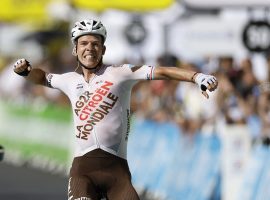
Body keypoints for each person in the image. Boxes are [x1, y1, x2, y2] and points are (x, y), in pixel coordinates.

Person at [13, 19, 218, 200]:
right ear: (75, 49)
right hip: (82, 172)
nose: (90, 48)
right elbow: (42, 78)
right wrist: (27, 71)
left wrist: (196, 77)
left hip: (117, 173)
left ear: (103, 49)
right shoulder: (69, 80)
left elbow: (161, 71)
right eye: (84, 43)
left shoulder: (120, 73)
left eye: (95, 44)